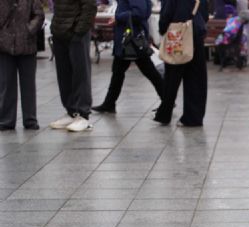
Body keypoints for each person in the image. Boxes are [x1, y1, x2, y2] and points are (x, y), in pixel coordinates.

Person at [92, 0, 164, 114]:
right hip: (129, 38)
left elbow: (139, 13)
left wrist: (118, 18)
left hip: (131, 39)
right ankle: (109, 103)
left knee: (148, 71)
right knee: (119, 71)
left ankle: (167, 101)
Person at [153, 0, 207, 127]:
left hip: (177, 35)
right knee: (196, 78)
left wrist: (162, 29)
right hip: (196, 33)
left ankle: (164, 114)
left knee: (172, 75)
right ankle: (193, 117)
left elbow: (166, 13)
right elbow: (204, 13)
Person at [49, 0, 97, 132]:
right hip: (59, 31)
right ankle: (71, 112)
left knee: (81, 73)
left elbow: (90, 6)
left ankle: (83, 114)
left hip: (77, 32)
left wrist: (79, 31)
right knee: (64, 75)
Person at [0, 0, 44, 131]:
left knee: (28, 86)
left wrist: (29, 30)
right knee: (6, 84)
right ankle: (6, 120)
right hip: (4, 45)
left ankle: (30, 119)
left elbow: (39, 14)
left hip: (27, 45)